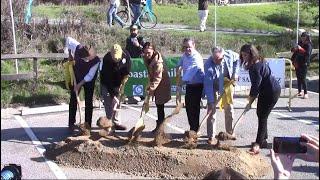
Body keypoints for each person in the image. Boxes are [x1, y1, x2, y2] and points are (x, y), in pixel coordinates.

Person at [239, 44, 281, 154]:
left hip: (271, 91)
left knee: (262, 116)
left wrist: (250, 100)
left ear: (252, 54)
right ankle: (263, 139)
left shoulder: (255, 67)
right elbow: (257, 86)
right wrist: (251, 99)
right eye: (242, 55)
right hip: (266, 90)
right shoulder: (259, 61)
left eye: (246, 55)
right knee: (260, 113)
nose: (244, 57)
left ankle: (258, 143)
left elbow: (256, 86)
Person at [64, 37, 100, 135]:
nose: (88, 59)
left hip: (89, 80)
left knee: (88, 101)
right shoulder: (78, 47)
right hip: (78, 75)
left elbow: (89, 76)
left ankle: (87, 125)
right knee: (73, 99)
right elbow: (68, 40)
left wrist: (79, 85)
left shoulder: (96, 61)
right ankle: (71, 123)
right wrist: (69, 54)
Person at [204, 46, 239, 144]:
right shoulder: (208, 65)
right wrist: (211, 101)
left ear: (223, 55)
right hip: (214, 85)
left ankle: (229, 133)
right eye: (215, 59)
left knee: (229, 108)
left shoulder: (230, 54)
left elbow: (237, 60)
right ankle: (211, 136)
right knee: (211, 110)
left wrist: (235, 73)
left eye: (219, 59)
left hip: (227, 84)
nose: (217, 61)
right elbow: (208, 84)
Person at [99, 44, 131, 131]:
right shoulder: (107, 59)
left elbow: (128, 67)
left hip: (119, 80)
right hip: (107, 82)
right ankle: (109, 124)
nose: (116, 59)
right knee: (109, 102)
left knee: (118, 102)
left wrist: (126, 76)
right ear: (111, 54)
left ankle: (116, 123)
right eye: (114, 58)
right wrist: (113, 96)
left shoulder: (126, 55)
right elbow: (107, 80)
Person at [176, 38, 204, 135]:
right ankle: (192, 128)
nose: (187, 49)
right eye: (185, 47)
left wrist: (181, 84)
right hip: (189, 85)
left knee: (194, 107)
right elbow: (179, 64)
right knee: (188, 106)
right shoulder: (184, 55)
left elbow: (190, 73)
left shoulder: (196, 58)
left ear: (194, 46)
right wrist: (179, 67)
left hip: (198, 85)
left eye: (189, 47)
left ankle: (195, 130)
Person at [142, 42, 171, 133]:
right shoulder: (146, 58)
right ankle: (159, 127)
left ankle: (160, 128)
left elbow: (158, 77)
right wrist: (150, 84)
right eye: (145, 52)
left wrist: (151, 88)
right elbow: (151, 72)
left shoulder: (158, 62)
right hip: (155, 82)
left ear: (153, 51)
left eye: (149, 53)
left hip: (162, 84)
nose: (147, 55)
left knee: (160, 105)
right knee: (158, 105)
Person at [125, 24, 145, 103]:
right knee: (132, 78)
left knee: (140, 78)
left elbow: (146, 50)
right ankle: (131, 94)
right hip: (131, 62)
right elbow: (127, 50)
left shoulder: (141, 39)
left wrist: (138, 45)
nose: (133, 31)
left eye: (134, 29)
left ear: (137, 30)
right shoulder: (128, 39)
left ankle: (142, 95)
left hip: (140, 62)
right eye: (131, 30)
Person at [290, 32, 312, 99]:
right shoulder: (300, 43)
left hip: (304, 63)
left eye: (304, 36)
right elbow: (295, 51)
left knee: (303, 78)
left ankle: (306, 93)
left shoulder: (309, 44)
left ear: (307, 37)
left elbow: (308, 54)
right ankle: (299, 91)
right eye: (302, 36)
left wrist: (300, 49)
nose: (302, 38)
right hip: (297, 62)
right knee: (298, 78)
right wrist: (294, 49)